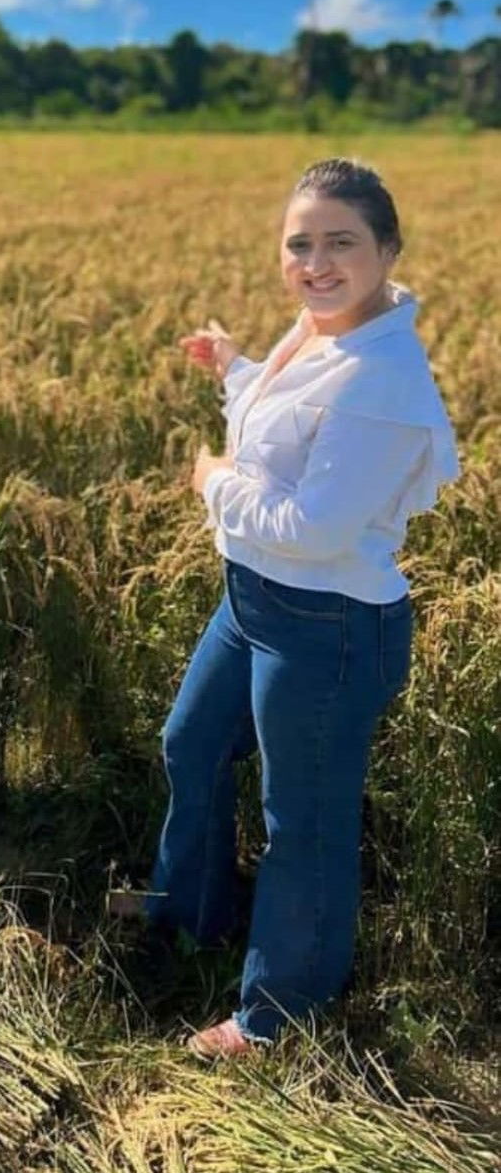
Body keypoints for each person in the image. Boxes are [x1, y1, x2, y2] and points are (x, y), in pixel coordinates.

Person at [146, 158, 459, 1057]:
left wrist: (209, 482)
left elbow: (314, 525)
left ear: (388, 250)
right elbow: (285, 422)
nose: (315, 261)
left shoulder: (384, 379)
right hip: (251, 599)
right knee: (190, 744)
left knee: (304, 821)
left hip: (324, 626)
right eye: (299, 243)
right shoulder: (317, 333)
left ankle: (277, 1016)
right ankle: (189, 917)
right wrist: (235, 365)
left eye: (340, 242)